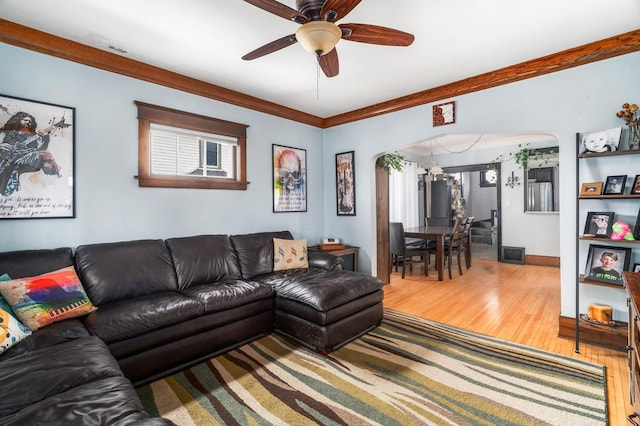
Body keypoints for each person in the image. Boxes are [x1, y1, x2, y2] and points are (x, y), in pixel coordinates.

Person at [0, 112, 60, 196]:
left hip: (16, 164)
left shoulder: (33, 137)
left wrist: (44, 138)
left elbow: (37, 151)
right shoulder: (4, 133)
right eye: (25, 120)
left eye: (30, 122)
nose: (28, 123)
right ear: (17, 121)